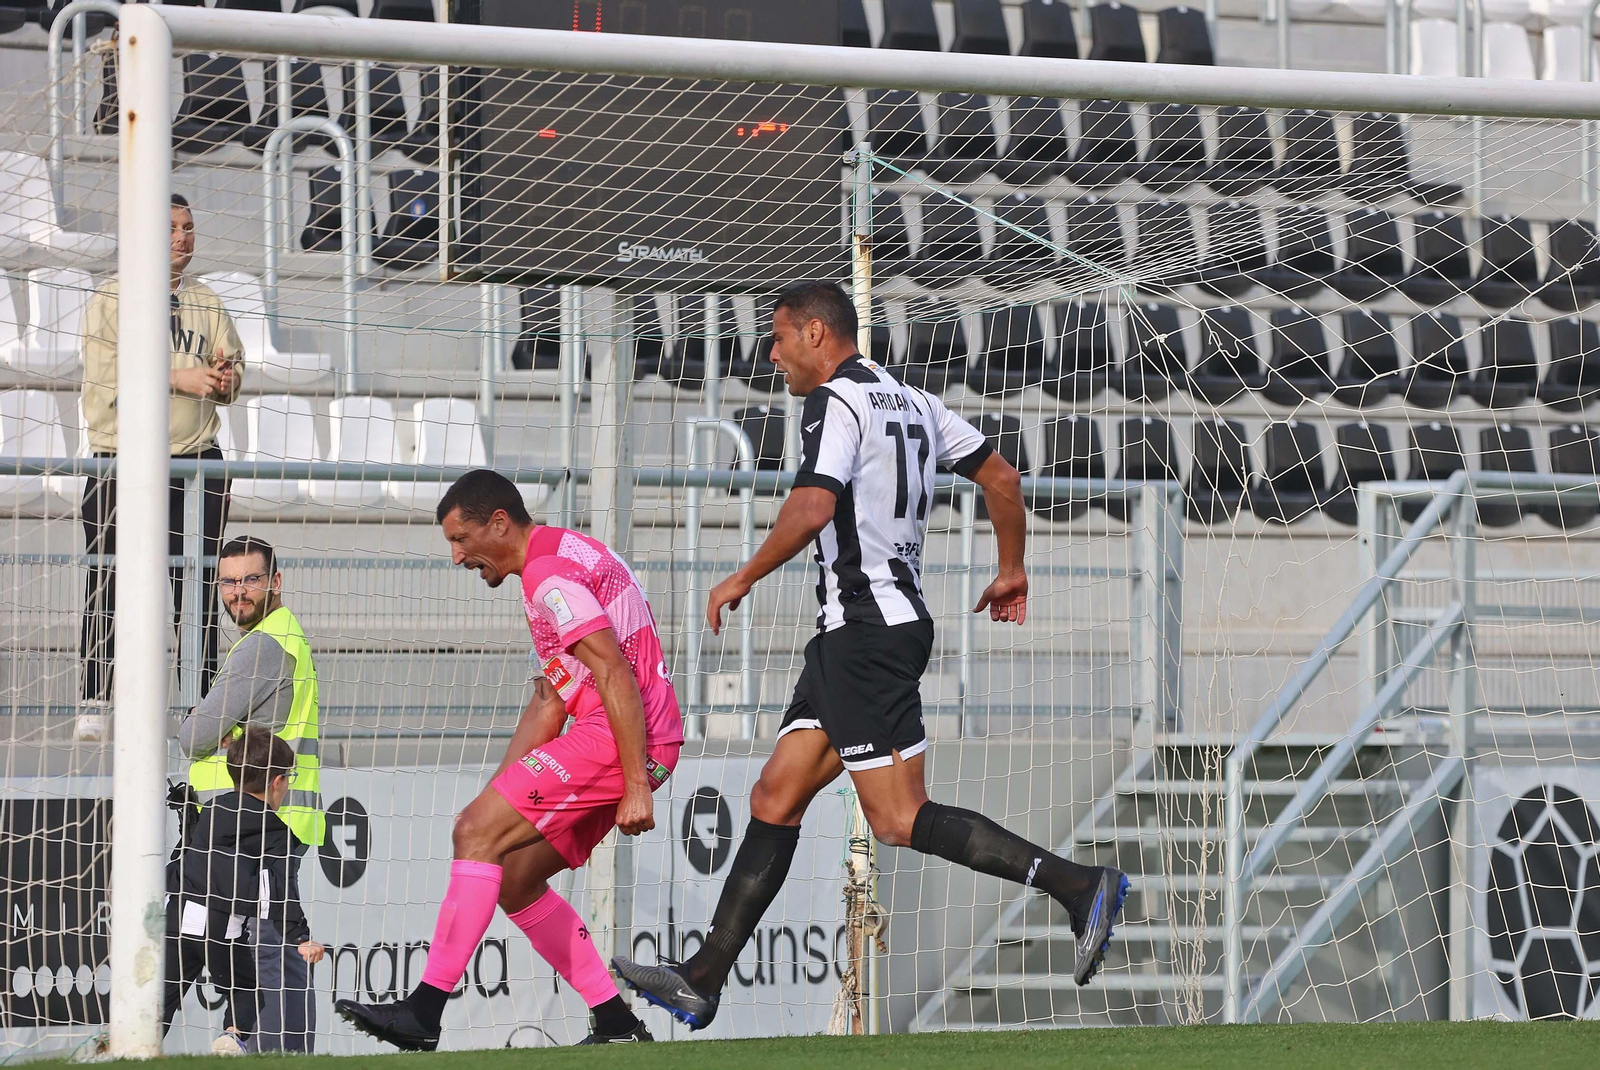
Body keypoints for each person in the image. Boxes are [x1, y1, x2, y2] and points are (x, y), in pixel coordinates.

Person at [612, 281, 1129, 1030]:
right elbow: (1003, 477)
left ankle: (1079, 887)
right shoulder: (913, 400)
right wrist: (1012, 566)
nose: (772, 352)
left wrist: (744, 576)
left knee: (896, 817)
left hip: (864, 634)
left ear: (818, 333)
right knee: (774, 797)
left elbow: (816, 504)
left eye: (780, 336)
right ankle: (703, 976)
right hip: (862, 633)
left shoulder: (835, 403)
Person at [335, 469, 684, 1048]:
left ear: (498, 522)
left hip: (622, 735)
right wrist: (491, 802)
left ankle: (423, 1015)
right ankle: (618, 1024)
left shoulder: (547, 575)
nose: (456, 557)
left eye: (461, 539)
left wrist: (635, 784)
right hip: (631, 735)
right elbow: (550, 700)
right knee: (514, 877)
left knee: (475, 834)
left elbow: (614, 672)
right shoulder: (559, 557)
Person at [78, 192, 243, 739]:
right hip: (121, 462)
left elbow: (231, 377)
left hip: (196, 462)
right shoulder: (111, 297)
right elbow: (109, 384)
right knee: (107, 579)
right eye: (171, 226)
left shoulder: (206, 300)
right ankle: (94, 702)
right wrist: (181, 377)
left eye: (189, 226)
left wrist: (223, 380)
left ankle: (197, 707)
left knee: (194, 587)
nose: (182, 236)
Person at [177, 535, 324, 1053]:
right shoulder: (281, 636)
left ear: (275, 583)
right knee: (211, 939)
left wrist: (201, 723)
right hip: (264, 817)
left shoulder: (261, 646)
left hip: (253, 819)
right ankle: (238, 1038)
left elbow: (193, 737)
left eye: (252, 579)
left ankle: (257, 1043)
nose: (239, 592)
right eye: (230, 581)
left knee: (258, 947)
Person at [164, 726, 325, 1055]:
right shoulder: (276, 831)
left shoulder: (211, 810)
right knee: (248, 990)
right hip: (220, 929)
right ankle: (231, 1040)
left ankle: (126, 1043)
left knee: (163, 994)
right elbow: (277, 893)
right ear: (278, 782)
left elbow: (185, 855)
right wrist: (300, 936)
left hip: (177, 917)